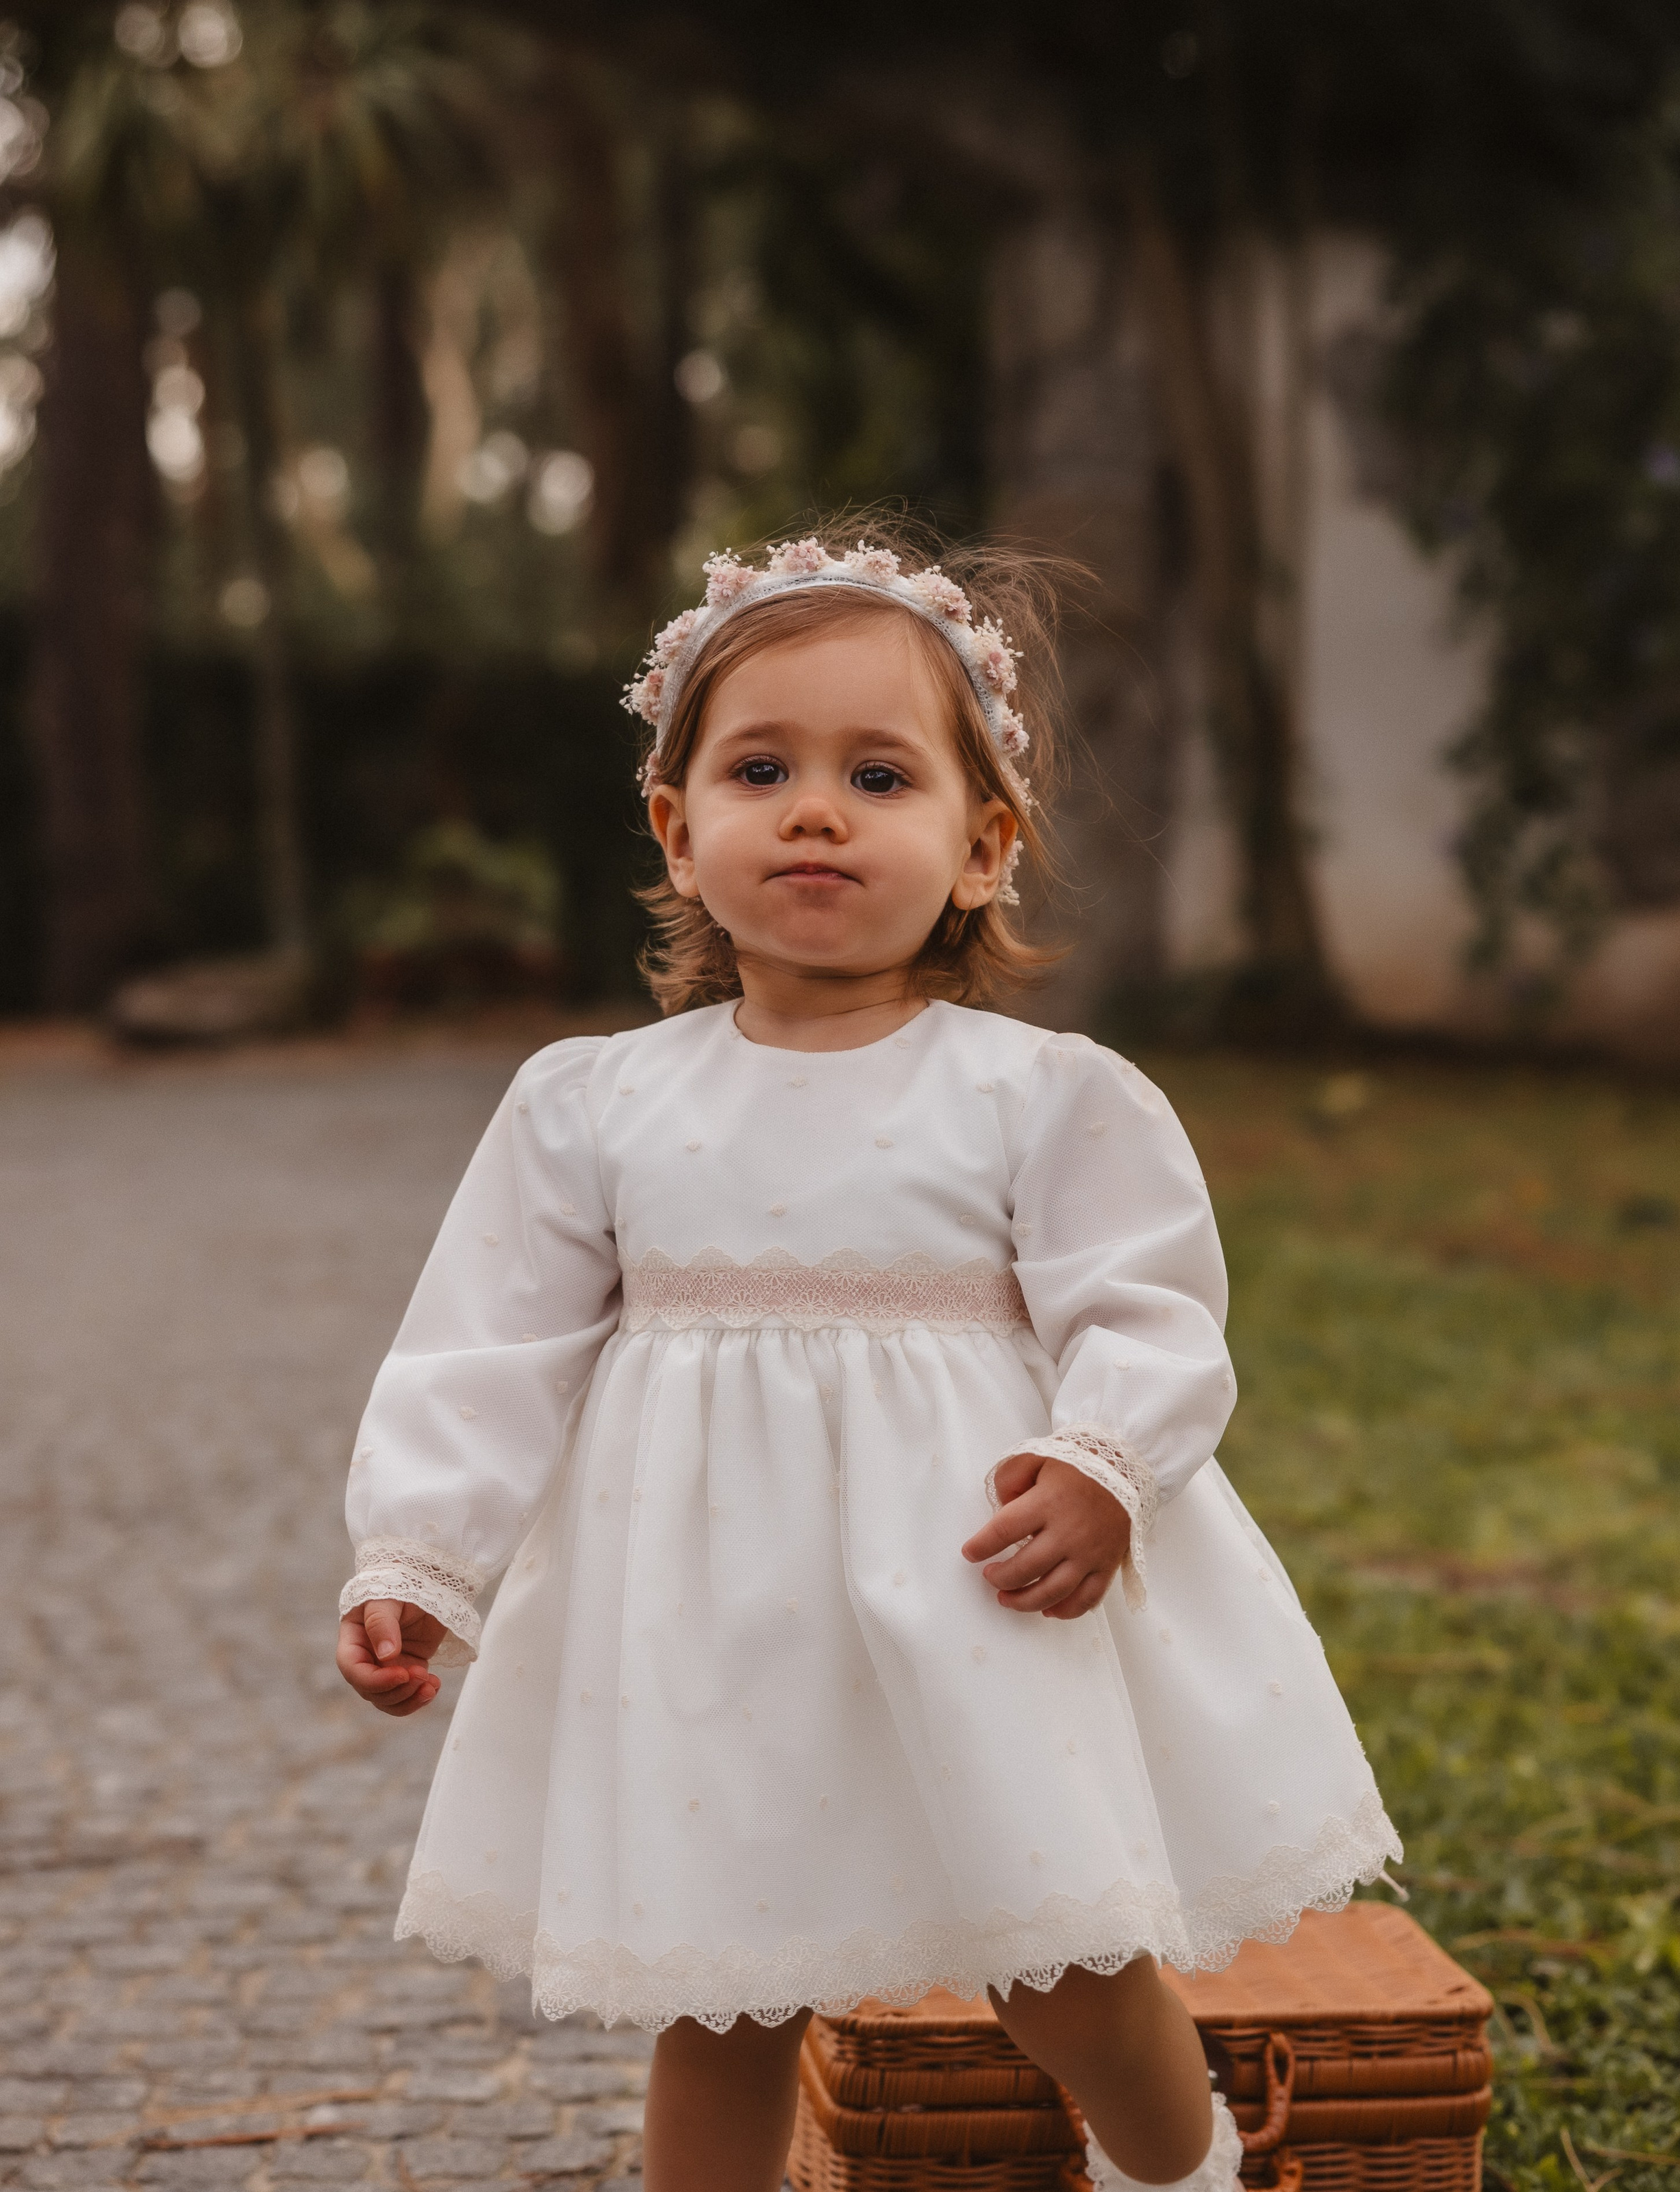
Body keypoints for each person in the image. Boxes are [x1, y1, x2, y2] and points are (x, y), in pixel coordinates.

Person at [334, 523, 1400, 2192]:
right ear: (681, 834)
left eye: (878, 775)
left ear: (981, 849)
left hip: (970, 1591)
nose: (816, 808)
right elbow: (489, 1343)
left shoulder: (1038, 1096)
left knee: (1059, 1966)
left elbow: (1148, 1306)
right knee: (725, 1990)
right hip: (711, 1621)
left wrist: (1101, 1461)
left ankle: (1176, 2167)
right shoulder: (591, 1105)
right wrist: (419, 1554)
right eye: (762, 767)